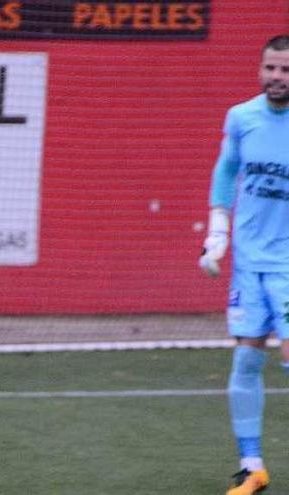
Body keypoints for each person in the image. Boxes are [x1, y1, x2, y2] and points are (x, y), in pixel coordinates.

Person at [199, 34, 289, 495]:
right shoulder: (242, 117)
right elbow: (226, 172)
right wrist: (218, 234)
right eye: (271, 68)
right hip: (250, 266)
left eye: (286, 70)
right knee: (247, 359)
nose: (277, 77)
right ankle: (252, 466)